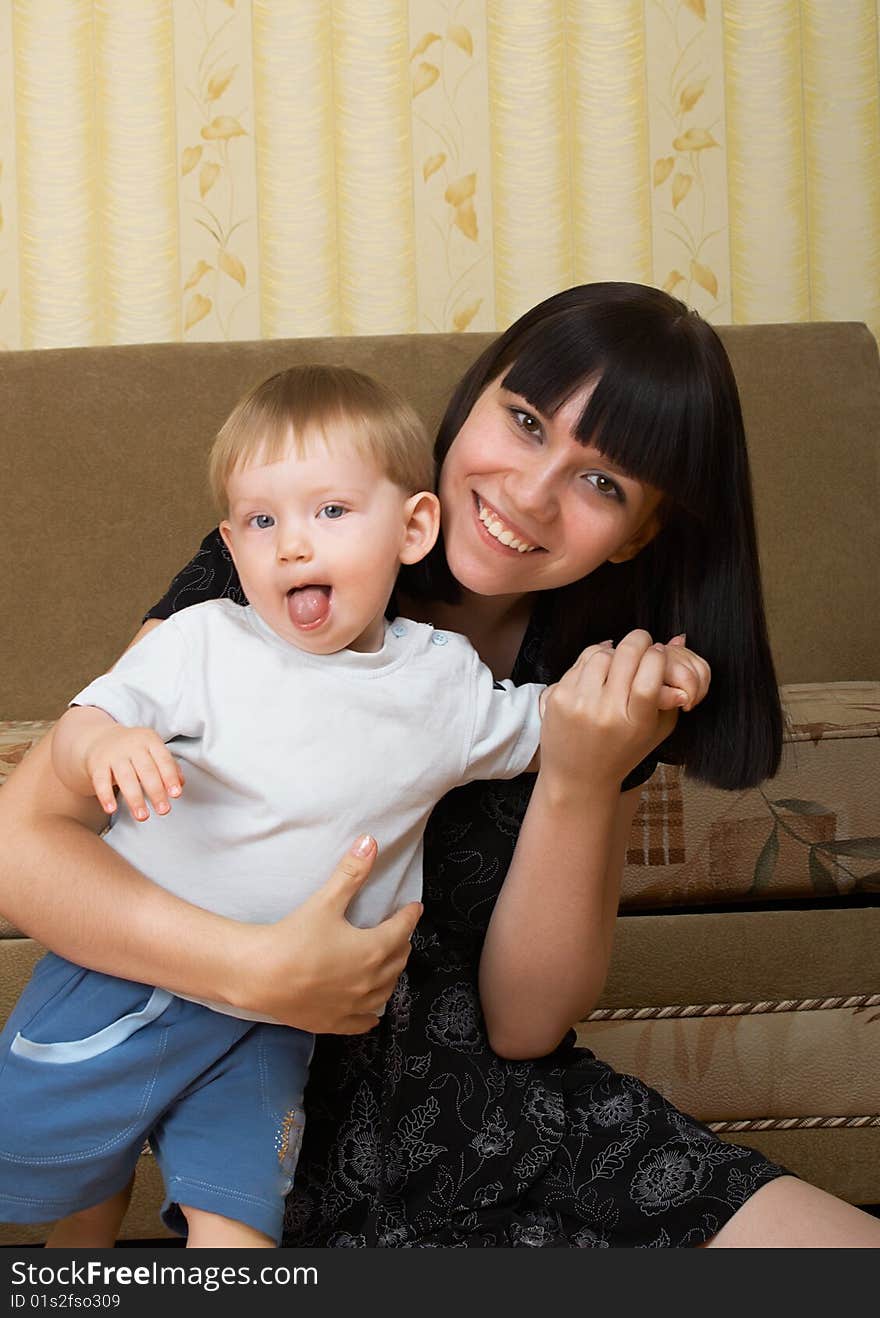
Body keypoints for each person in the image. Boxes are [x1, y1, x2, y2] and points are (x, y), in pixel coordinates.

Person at [1, 283, 877, 1247]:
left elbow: (523, 1028)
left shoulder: (584, 684)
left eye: (603, 483)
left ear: (639, 531)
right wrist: (252, 970)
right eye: (527, 421)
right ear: (475, 397)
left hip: (514, 1119)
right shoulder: (287, 565)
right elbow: (25, 841)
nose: (530, 494)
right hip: (283, 1130)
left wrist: (586, 772)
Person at [0, 364, 556, 1248]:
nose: (293, 545)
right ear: (233, 539)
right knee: (67, 1203)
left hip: (270, 1025)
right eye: (263, 522)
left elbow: (549, 725)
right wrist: (104, 744)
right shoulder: (205, 641)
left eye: (330, 512)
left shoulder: (443, 684)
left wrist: (636, 685)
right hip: (121, 978)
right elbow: (86, 723)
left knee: (240, 1225)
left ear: (414, 527)